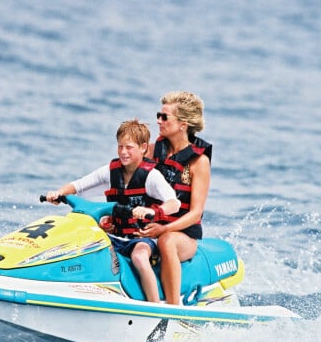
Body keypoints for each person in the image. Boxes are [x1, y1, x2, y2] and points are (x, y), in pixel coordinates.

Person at [45, 119, 181, 303]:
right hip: (115, 236)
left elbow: (174, 203)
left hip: (142, 238)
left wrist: (151, 212)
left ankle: (155, 307)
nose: (123, 152)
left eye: (129, 147)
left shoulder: (151, 176)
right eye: (120, 147)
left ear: (142, 148)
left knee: (139, 257)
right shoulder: (110, 171)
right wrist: (58, 193)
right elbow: (79, 185)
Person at [140, 91, 212, 305]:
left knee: (166, 241)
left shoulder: (199, 162)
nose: (158, 121)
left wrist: (164, 229)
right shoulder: (152, 151)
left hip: (182, 235)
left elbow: (195, 213)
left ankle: (173, 309)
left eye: (164, 117)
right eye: (158, 115)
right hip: (152, 224)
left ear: (183, 124)